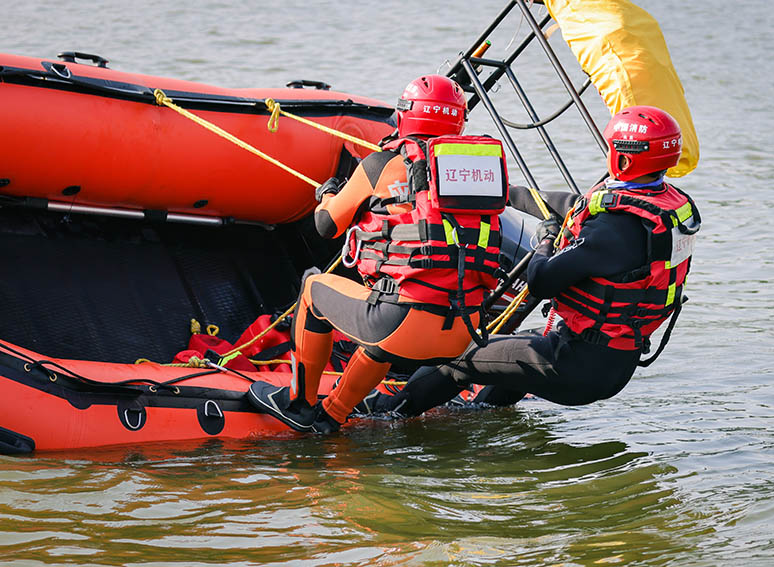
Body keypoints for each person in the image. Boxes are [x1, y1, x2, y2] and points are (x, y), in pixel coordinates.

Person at [364, 105, 701, 417]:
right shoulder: (666, 210)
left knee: (455, 354)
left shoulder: (612, 229)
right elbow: (571, 204)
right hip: (616, 362)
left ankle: (384, 413)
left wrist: (545, 240)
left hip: (575, 366)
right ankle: (479, 419)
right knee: (511, 362)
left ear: (623, 160)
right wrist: (503, 192)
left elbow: (541, 280)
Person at [246, 74, 509, 433]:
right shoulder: (480, 172)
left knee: (313, 289)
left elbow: (326, 225)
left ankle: (301, 404)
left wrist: (327, 194)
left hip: (402, 327)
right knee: (387, 315)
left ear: (405, 117)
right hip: (466, 329)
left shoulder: (381, 164)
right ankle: (333, 414)